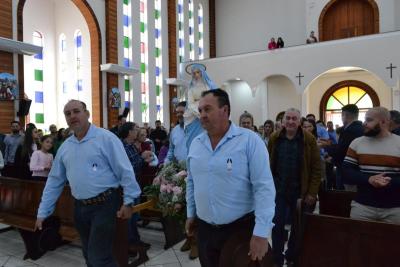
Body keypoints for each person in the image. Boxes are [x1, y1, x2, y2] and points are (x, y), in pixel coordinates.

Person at [35, 100, 141, 267]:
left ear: (87, 114)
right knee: (89, 255)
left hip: (105, 205)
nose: (72, 116)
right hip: (79, 207)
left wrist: (129, 201)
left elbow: (125, 171)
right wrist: (43, 212)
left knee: (98, 257)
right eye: (68, 113)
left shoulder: (106, 138)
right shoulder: (65, 147)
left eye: (76, 111)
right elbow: (54, 181)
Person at [186, 89, 276, 267]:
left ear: (225, 110)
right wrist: (191, 213)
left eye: (208, 109)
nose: (202, 115)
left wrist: (261, 232)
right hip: (205, 230)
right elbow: (191, 181)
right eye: (201, 110)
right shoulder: (196, 143)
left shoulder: (249, 140)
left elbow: (264, 188)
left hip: (239, 229)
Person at [268, 108, 321, 267]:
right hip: (279, 191)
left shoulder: (308, 139)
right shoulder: (274, 138)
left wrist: (312, 192)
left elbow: (317, 168)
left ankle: (291, 255)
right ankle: (276, 258)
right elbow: (269, 164)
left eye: (294, 119)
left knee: (298, 227)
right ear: (283, 121)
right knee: (276, 225)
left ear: (299, 121)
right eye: (288, 118)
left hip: (300, 191)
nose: (290, 121)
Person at [342, 107, 400, 224]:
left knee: (393, 242)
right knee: (358, 241)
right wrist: (369, 179)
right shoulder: (357, 143)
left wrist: (388, 181)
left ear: (383, 122)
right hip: (363, 206)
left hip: (395, 208)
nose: (364, 124)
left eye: (369, 120)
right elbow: (346, 172)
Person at [119, 122, 153, 252]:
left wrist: (143, 159)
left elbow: (136, 162)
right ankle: (129, 245)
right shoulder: (123, 147)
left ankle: (135, 241)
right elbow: (128, 168)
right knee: (130, 217)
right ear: (129, 133)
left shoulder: (131, 145)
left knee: (134, 216)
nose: (137, 131)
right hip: (128, 187)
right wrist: (142, 158)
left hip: (135, 184)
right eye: (135, 129)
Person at [322, 104, 364, 190]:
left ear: (345, 115)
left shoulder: (349, 130)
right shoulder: (361, 128)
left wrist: (325, 146)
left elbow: (342, 151)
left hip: (346, 170)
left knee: (343, 198)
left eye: (342, 115)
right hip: (358, 169)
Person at [184, 63, 218, 150]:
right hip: (194, 115)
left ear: (202, 72)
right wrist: (198, 112)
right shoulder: (191, 88)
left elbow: (213, 98)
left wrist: (205, 110)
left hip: (208, 110)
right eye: (194, 73)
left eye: (198, 72)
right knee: (192, 140)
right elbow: (190, 103)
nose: (196, 75)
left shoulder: (209, 86)